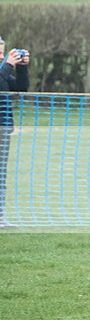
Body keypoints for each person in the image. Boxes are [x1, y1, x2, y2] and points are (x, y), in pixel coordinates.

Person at [0, 35, 30, 228]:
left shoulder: (3, 71)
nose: (1, 55)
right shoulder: (2, 70)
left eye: (2, 52)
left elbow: (21, 87)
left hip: (3, 128)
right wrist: (8, 65)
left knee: (1, 174)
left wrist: (22, 67)